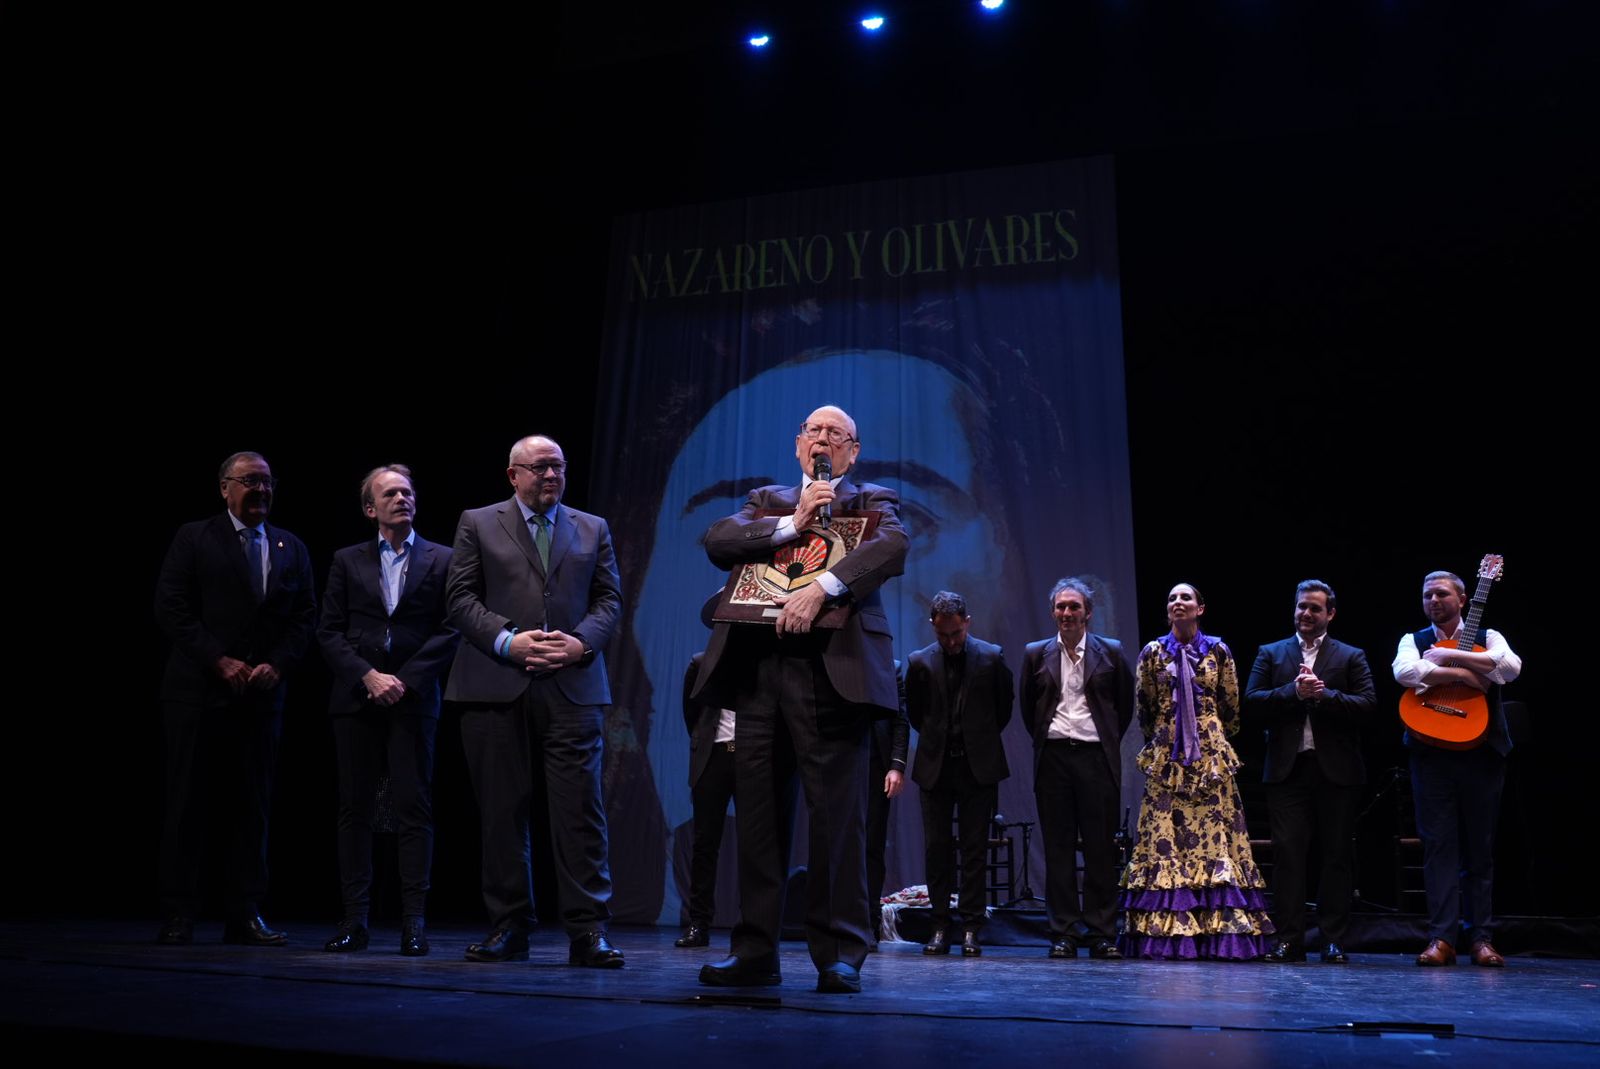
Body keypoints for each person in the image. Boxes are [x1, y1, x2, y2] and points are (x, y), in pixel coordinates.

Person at [692, 404, 908, 994]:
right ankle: (755, 951)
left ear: (852, 453)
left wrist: (824, 589)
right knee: (758, 816)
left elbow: (892, 547)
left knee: (837, 820)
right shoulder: (767, 501)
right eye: (815, 431)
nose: (824, 440)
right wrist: (793, 521)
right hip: (759, 671)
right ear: (798, 445)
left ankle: (839, 953)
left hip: (833, 675)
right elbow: (718, 540)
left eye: (837, 434)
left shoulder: (873, 500)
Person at [445, 435, 625, 967]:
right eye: (541, 467)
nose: (552, 476)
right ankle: (510, 926)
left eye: (559, 467)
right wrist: (508, 641)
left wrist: (580, 643)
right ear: (513, 474)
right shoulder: (478, 523)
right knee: (502, 813)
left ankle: (588, 931)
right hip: (497, 685)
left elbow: (609, 598)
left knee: (581, 813)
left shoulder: (592, 527)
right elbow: (460, 598)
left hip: (573, 686)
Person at [153, 451, 316, 946]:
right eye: (249, 481)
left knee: (252, 807)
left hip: (260, 698)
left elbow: (304, 618)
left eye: (267, 481)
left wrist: (278, 664)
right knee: (188, 802)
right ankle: (179, 912)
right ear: (224, 488)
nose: (261, 490)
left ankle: (244, 913)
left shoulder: (290, 546)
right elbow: (171, 607)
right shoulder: (194, 537)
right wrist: (217, 660)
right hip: (198, 694)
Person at [317, 465, 459, 956]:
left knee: (413, 808)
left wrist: (406, 680)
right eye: (391, 493)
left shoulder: (443, 558)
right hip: (357, 698)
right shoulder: (346, 560)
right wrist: (368, 676)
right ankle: (354, 920)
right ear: (369, 508)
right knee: (355, 808)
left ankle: (413, 923)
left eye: (407, 492)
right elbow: (329, 630)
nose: (402, 499)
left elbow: (451, 628)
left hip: (413, 700)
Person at [1121, 583, 1273, 960]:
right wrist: (1168, 735)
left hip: (1210, 759)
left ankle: (1219, 933)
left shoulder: (1218, 651)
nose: (1178, 603)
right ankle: (1168, 936)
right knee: (1165, 837)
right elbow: (1144, 708)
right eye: (1172, 598)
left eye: (1185, 597)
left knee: (1215, 839)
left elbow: (1231, 706)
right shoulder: (1153, 653)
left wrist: (1208, 735)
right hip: (1168, 758)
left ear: (1200, 608)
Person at [1393, 569, 1522, 967]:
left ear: (1463, 599)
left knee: (1479, 848)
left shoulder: (1488, 635)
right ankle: (1442, 938)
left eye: (1442, 594)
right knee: (1438, 847)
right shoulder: (1413, 640)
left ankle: (1481, 938)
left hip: (1481, 755)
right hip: (1431, 756)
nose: (1433, 601)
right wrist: (1465, 674)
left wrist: (1451, 656)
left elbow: (1508, 667)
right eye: (1427, 595)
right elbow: (1405, 672)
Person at [1245, 579, 1374, 964]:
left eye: (1314, 608)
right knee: (1288, 854)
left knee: (1336, 855)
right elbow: (1251, 703)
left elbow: (1368, 705)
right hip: (1288, 771)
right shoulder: (1271, 653)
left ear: (1330, 614)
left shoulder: (1351, 656)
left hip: (1337, 772)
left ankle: (1333, 940)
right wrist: (1293, 692)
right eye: (1301, 606)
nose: (1306, 613)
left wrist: (1324, 695)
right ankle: (1289, 939)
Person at [1019, 577, 1134, 960]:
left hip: (1095, 758)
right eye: (1061, 607)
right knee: (1058, 849)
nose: (1067, 613)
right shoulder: (1036, 653)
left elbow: (1123, 707)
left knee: (1100, 848)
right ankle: (1064, 933)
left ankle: (1101, 933)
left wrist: (1101, 740)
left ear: (1088, 613)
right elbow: (1028, 708)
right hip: (1053, 759)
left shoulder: (1110, 651)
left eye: (1074, 607)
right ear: (1053, 612)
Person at [907, 591, 1012, 957]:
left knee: (974, 850)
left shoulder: (991, 656)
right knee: (936, 849)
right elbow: (916, 714)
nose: (950, 642)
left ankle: (970, 927)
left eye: (956, 633)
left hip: (976, 767)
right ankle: (939, 925)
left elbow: (1002, 709)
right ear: (933, 626)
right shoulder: (919, 661)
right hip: (935, 767)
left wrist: (976, 741)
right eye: (943, 635)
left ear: (967, 622)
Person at [675, 651, 735, 948]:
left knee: (757, 846)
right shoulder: (701, 663)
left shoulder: (763, 662)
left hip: (753, 755)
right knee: (705, 843)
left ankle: (754, 926)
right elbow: (692, 712)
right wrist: (703, 742)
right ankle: (698, 923)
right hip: (713, 756)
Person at [866, 659, 909, 948]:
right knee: (838, 847)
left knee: (872, 847)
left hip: (875, 765)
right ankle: (838, 923)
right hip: (839, 767)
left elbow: (900, 720)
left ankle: (868, 923)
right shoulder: (835, 663)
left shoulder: (889, 668)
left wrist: (896, 765)